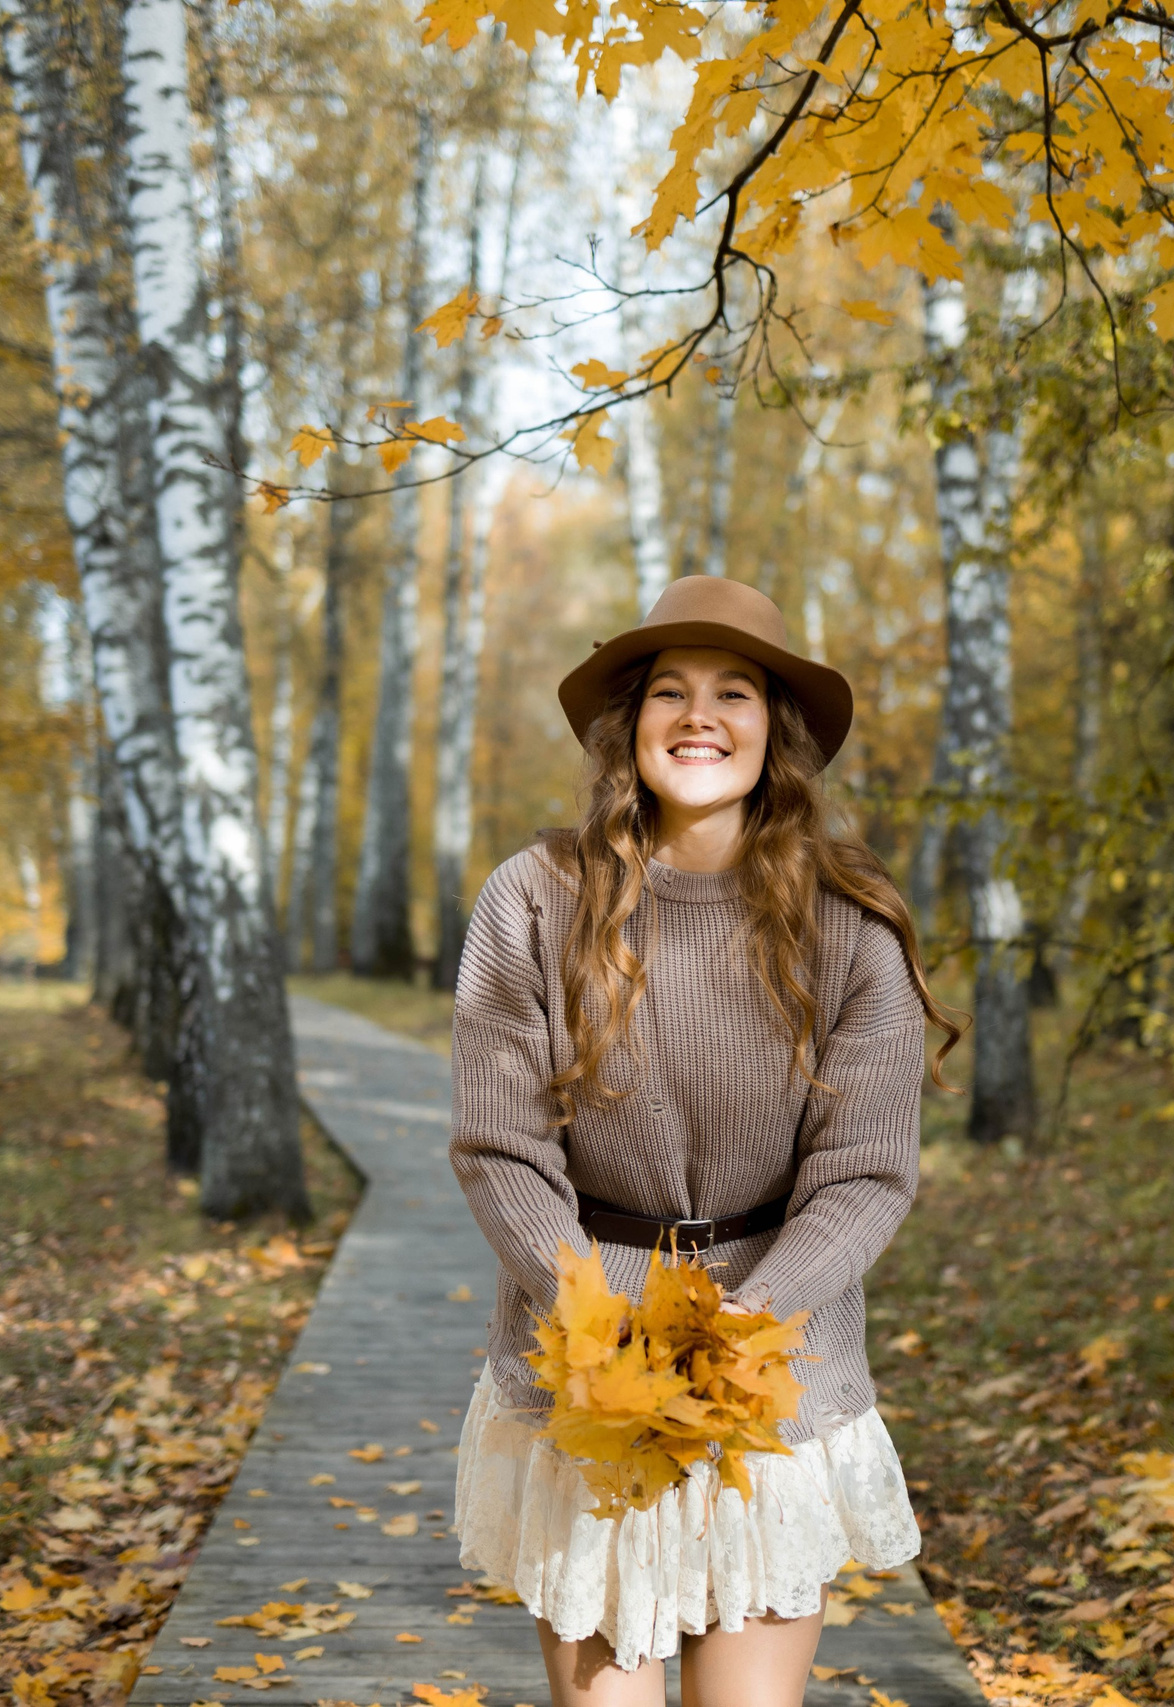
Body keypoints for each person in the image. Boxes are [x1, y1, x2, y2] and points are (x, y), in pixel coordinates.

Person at [448, 576, 963, 1707]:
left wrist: (751, 1323)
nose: (699, 716)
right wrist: (587, 1307)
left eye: (734, 692)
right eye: (669, 691)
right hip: (588, 1358)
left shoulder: (847, 921)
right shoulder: (534, 901)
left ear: (773, 731)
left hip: (774, 1354)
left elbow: (865, 1170)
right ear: (628, 723)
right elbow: (501, 1145)